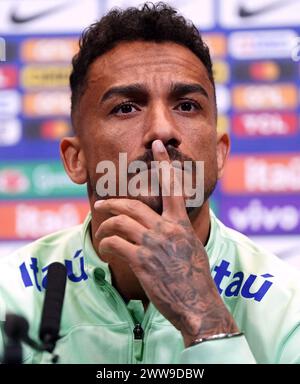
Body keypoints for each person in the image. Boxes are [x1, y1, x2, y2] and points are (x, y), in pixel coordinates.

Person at [0, 2, 300, 364]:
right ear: (76, 159)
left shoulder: (289, 307)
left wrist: (205, 318)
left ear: (219, 155)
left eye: (187, 106)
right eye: (126, 107)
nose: (162, 130)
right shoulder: (11, 296)